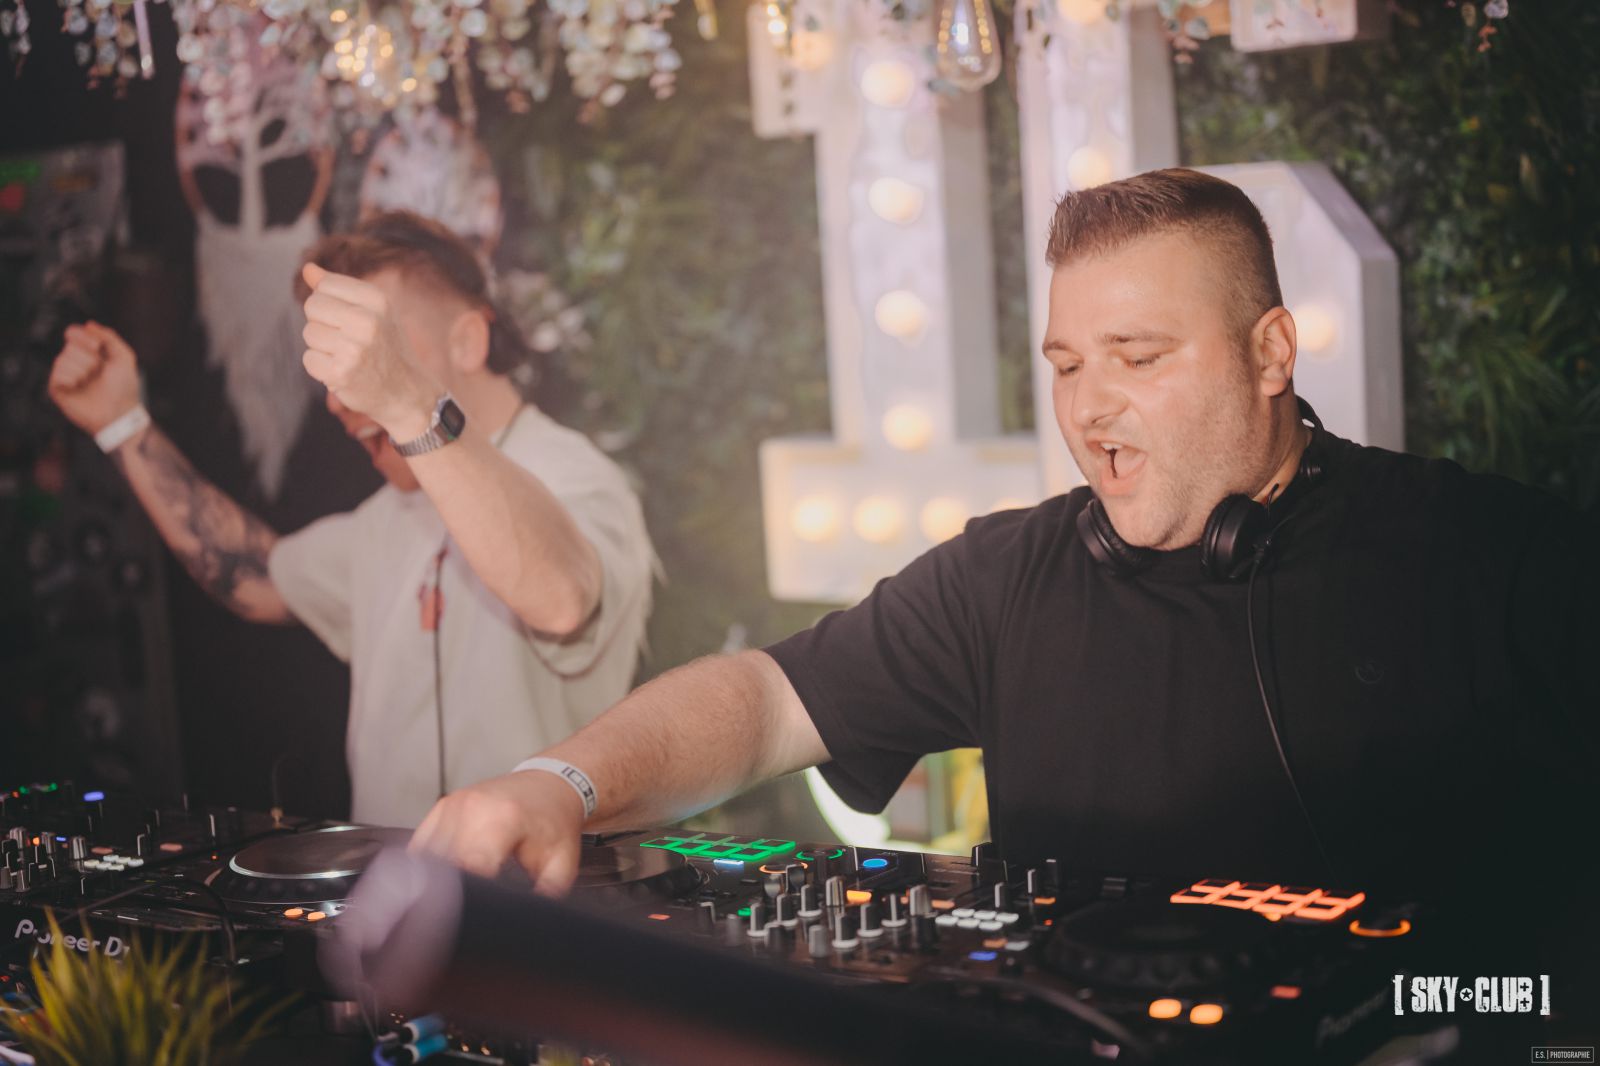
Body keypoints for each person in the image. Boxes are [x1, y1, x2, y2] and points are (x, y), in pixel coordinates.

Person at [409, 169, 1596, 910]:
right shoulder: (1006, 575)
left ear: (1270, 353)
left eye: (1138, 357)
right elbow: (762, 700)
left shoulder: (1489, 559)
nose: (1089, 406)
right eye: (1067, 365)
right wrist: (560, 783)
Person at [46, 211, 656, 828]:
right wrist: (121, 424)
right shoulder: (385, 518)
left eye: (376, 350)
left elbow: (561, 598)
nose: (337, 400)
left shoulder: (576, 476)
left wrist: (410, 402)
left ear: (468, 341)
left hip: (550, 887)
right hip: (394, 888)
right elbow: (256, 575)